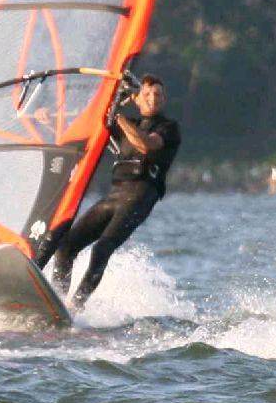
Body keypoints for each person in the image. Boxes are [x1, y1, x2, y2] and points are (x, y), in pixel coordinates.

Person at [49, 74, 181, 309]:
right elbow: (82, 131)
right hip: (115, 194)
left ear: (164, 99)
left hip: (140, 196)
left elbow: (145, 145)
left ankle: (75, 307)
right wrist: (49, 120)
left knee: (102, 249)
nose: (152, 98)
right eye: (147, 94)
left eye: (158, 94)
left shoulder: (169, 128)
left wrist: (117, 117)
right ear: (136, 99)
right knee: (66, 247)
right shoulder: (125, 126)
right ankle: (55, 302)